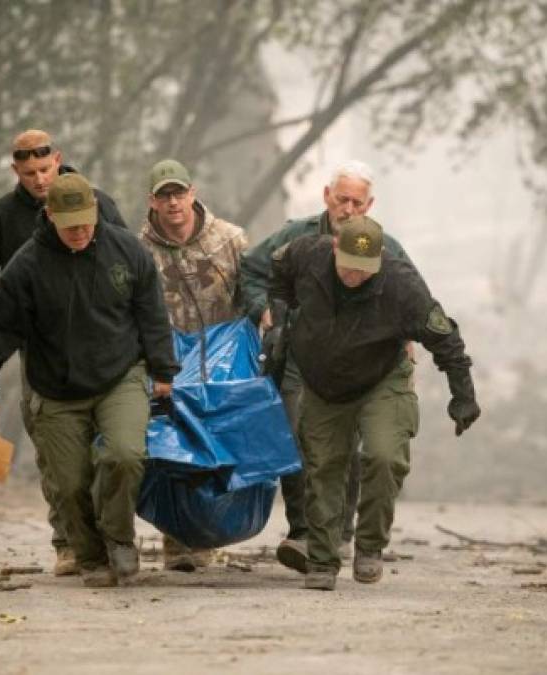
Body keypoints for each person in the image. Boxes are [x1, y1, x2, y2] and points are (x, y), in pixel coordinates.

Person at [0, 130, 127, 577]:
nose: (39, 179)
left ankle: (109, 536)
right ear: (16, 172)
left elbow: (129, 266)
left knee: (110, 446)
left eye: (45, 169)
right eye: (29, 173)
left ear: (59, 160)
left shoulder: (98, 203)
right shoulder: (6, 217)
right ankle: (67, 541)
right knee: (55, 448)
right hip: (43, 349)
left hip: (101, 343)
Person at [0, 172, 179, 587]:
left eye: (85, 222)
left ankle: (118, 537)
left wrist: (163, 369)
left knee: (124, 455)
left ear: (96, 212)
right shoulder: (26, 266)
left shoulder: (127, 251)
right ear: (49, 216)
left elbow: (151, 313)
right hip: (56, 387)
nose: (79, 232)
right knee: (69, 482)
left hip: (120, 375)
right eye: (69, 225)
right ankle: (90, 555)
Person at [270, 215, 479, 590]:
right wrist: (281, 320)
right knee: (323, 466)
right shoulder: (306, 254)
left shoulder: (402, 285)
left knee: (384, 456)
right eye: (349, 266)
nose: (355, 276)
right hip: (323, 381)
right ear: (334, 247)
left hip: (382, 378)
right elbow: (278, 271)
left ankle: (369, 545)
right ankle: (321, 559)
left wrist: (463, 394)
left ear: (380, 258)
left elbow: (445, 338)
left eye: (364, 269)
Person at [240, 160, 415, 573]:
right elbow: (251, 269)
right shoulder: (295, 236)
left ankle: (341, 533)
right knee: (298, 437)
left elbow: (410, 296)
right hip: (301, 358)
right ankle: (303, 531)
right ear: (326, 197)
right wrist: (262, 309)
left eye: (358, 202)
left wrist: (407, 340)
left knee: (351, 447)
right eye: (342, 200)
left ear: (368, 205)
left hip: (363, 366)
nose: (348, 209)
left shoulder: (385, 246)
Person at [137, 158, 249, 571]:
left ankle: (209, 534)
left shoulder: (231, 240)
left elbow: (252, 292)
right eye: (164, 195)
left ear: (192, 193)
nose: (173, 203)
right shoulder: (139, 250)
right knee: (173, 452)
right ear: (152, 200)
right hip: (168, 364)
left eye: (178, 193)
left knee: (219, 453)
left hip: (224, 365)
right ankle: (177, 538)